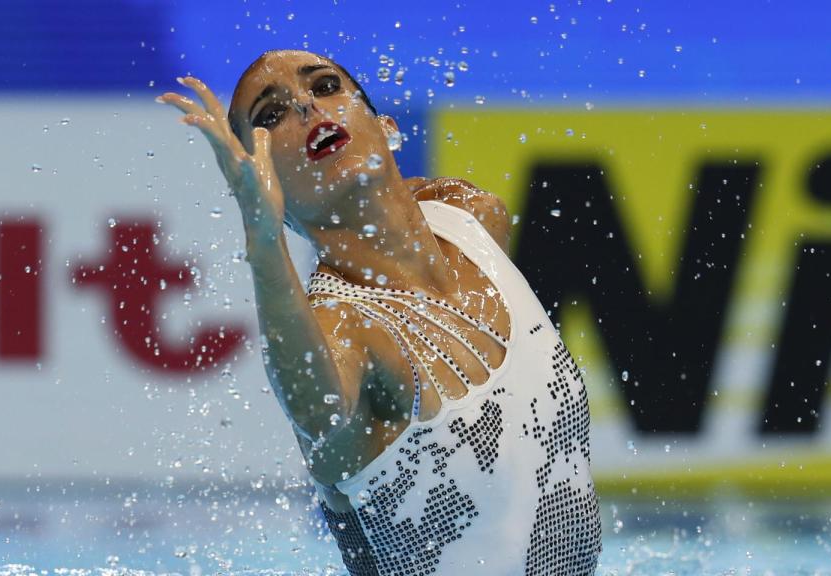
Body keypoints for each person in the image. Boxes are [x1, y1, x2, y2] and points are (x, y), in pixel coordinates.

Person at [159, 50, 601, 575]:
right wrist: (264, 236)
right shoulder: (347, 330)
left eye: (324, 87)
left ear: (384, 124)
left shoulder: (472, 217)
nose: (303, 106)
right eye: (270, 116)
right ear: (262, 177)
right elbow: (315, 409)